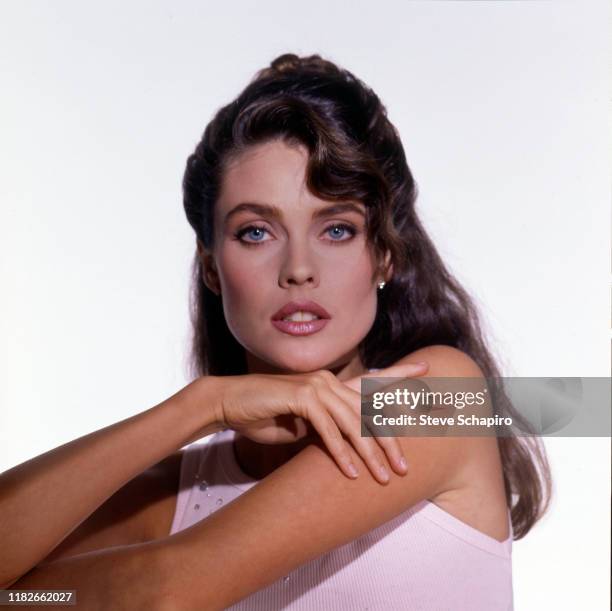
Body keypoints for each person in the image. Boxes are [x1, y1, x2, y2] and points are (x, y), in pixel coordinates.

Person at [1, 53, 551, 610]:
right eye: (256, 232)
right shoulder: (183, 492)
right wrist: (198, 407)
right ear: (212, 266)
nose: (298, 268)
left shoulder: (436, 399)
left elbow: (159, 594)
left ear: (384, 256)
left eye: (336, 229)